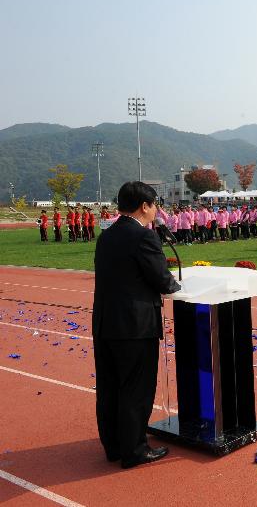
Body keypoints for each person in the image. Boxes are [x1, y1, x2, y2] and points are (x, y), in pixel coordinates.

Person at [92, 181, 181, 469]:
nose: (157, 210)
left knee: (110, 386)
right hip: (134, 326)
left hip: (106, 322)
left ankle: (114, 446)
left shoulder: (107, 235)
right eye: (155, 205)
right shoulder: (143, 237)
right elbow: (161, 279)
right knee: (135, 388)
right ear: (145, 206)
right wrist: (174, 284)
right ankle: (134, 450)